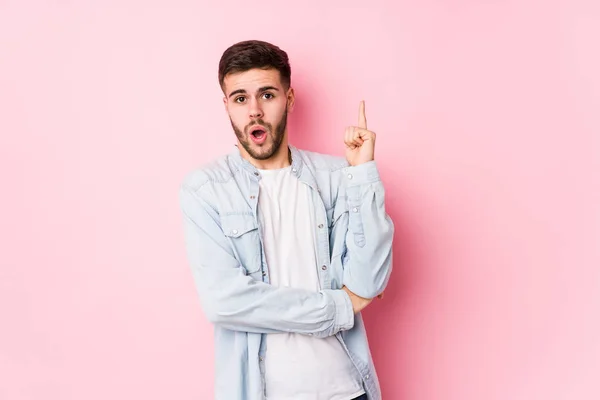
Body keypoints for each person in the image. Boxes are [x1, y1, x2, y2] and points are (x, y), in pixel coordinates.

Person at [179, 40, 394, 400]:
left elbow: (369, 280)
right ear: (227, 106)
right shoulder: (205, 190)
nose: (255, 112)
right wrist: (339, 306)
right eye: (240, 98)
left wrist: (362, 174)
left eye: (267, 95)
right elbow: (225, 302)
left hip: (346, 390)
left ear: (289, 99)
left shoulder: (336, 176)